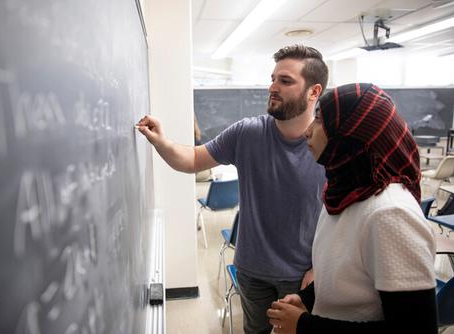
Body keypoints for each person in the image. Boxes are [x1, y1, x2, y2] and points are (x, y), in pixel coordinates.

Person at [136, 45, 328, 333]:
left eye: (285, 81)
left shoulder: (330, 143)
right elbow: (192, 159)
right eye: (273, 78)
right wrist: (161, 141)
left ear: (314, 92)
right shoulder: (248, 133)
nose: (272, 87)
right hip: (253, 271)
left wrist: (319, 267)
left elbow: (340, 213)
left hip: (304, 275)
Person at [267, 83, 438, 333]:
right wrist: (308, 298)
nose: (307, 131)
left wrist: (304, 325)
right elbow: (349, 270)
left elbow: (414, 329)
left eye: (319, 121)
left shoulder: (390, 214)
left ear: (351, 132)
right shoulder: (346, 190)